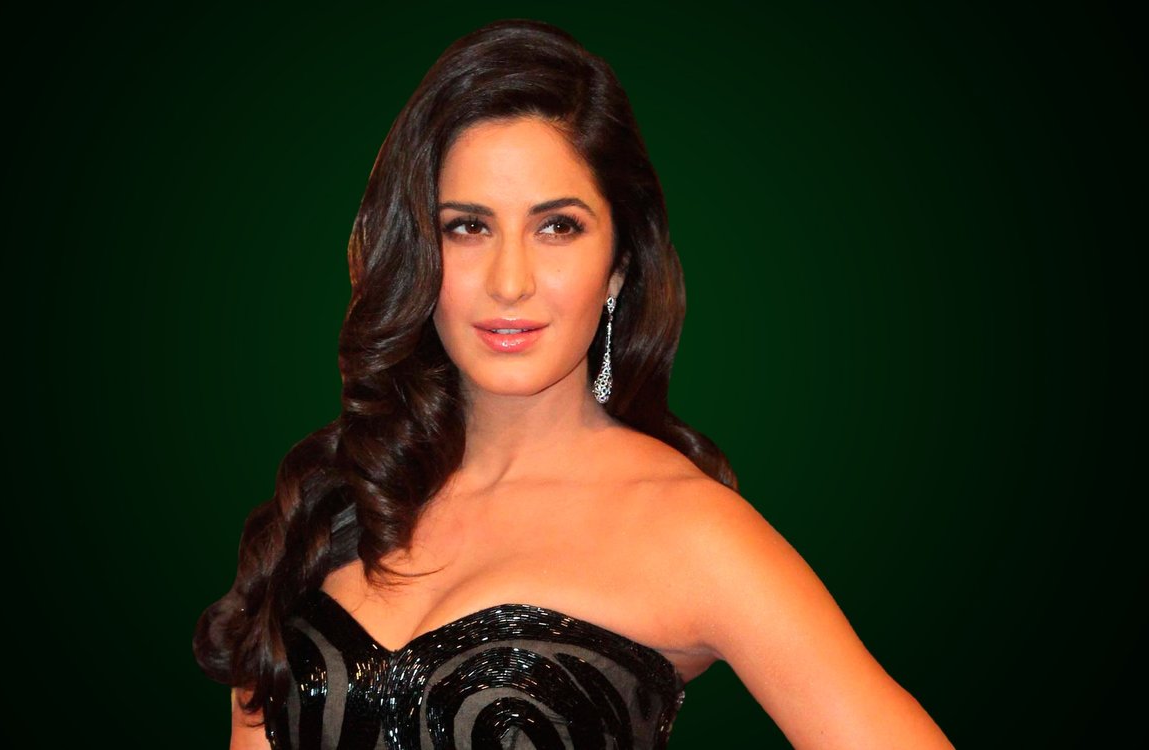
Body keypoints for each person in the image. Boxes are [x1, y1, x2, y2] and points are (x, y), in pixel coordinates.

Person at [193, 18, 954, 750]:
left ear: (619, 263)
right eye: (468, 226)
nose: (510, 281)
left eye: (557, 226)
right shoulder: (334, 501)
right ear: (418, 252)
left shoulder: (692, 531)